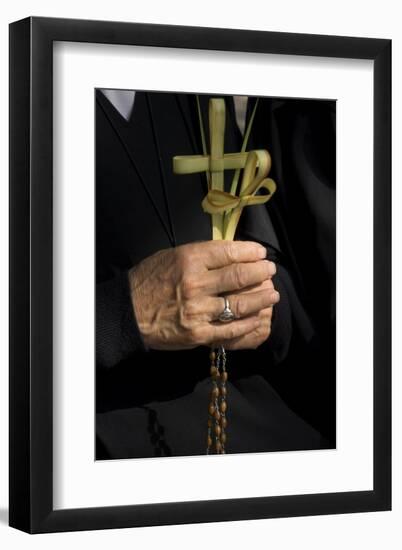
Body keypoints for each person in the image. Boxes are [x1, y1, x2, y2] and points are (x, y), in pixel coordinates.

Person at [95, 89, 335, 459]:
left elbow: (274, 256)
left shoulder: (195, 81)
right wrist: (126, 314)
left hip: (258, 421)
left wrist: (260, 302)